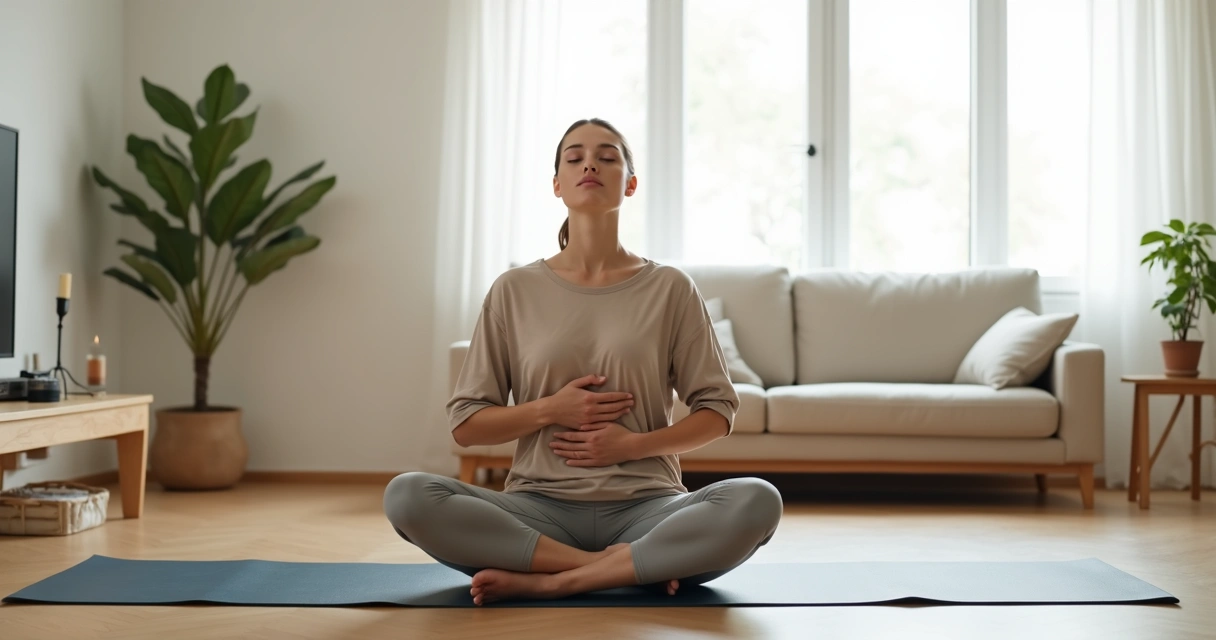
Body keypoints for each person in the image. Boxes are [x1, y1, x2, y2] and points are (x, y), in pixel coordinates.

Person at [383, 118, 783, 606]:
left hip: (648, 509)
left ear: (630, 183)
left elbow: (717, 412)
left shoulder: (670, 288)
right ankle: (619, 569)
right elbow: (467, 427)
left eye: (607, 156)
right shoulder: (514, 290)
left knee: (757, 499)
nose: (589, 163)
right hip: (535, 511)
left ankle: (555, 581)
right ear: (557, 184)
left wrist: (633, 445)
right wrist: (549, 410)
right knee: (407, 495)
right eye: (574, 157)